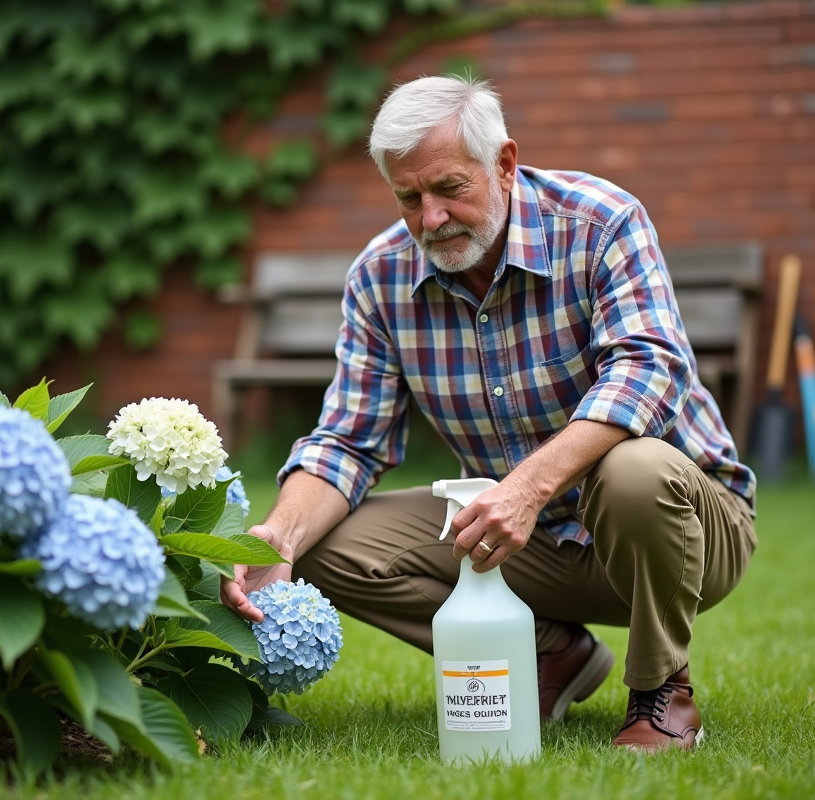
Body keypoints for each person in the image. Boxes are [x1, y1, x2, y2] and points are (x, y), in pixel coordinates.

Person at [222, 74, 757, 752]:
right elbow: (349, 441)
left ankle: (660, 690)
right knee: (323, 544)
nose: (431, 219)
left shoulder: (600, 221)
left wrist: (529, 489)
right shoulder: (380, 277)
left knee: (634, 470)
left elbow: (646, 371)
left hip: (682, 531)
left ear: (504, 164)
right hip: (522, 540)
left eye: (450, 189)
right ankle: (550, 653)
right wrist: (278, 536)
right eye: (408, 197)